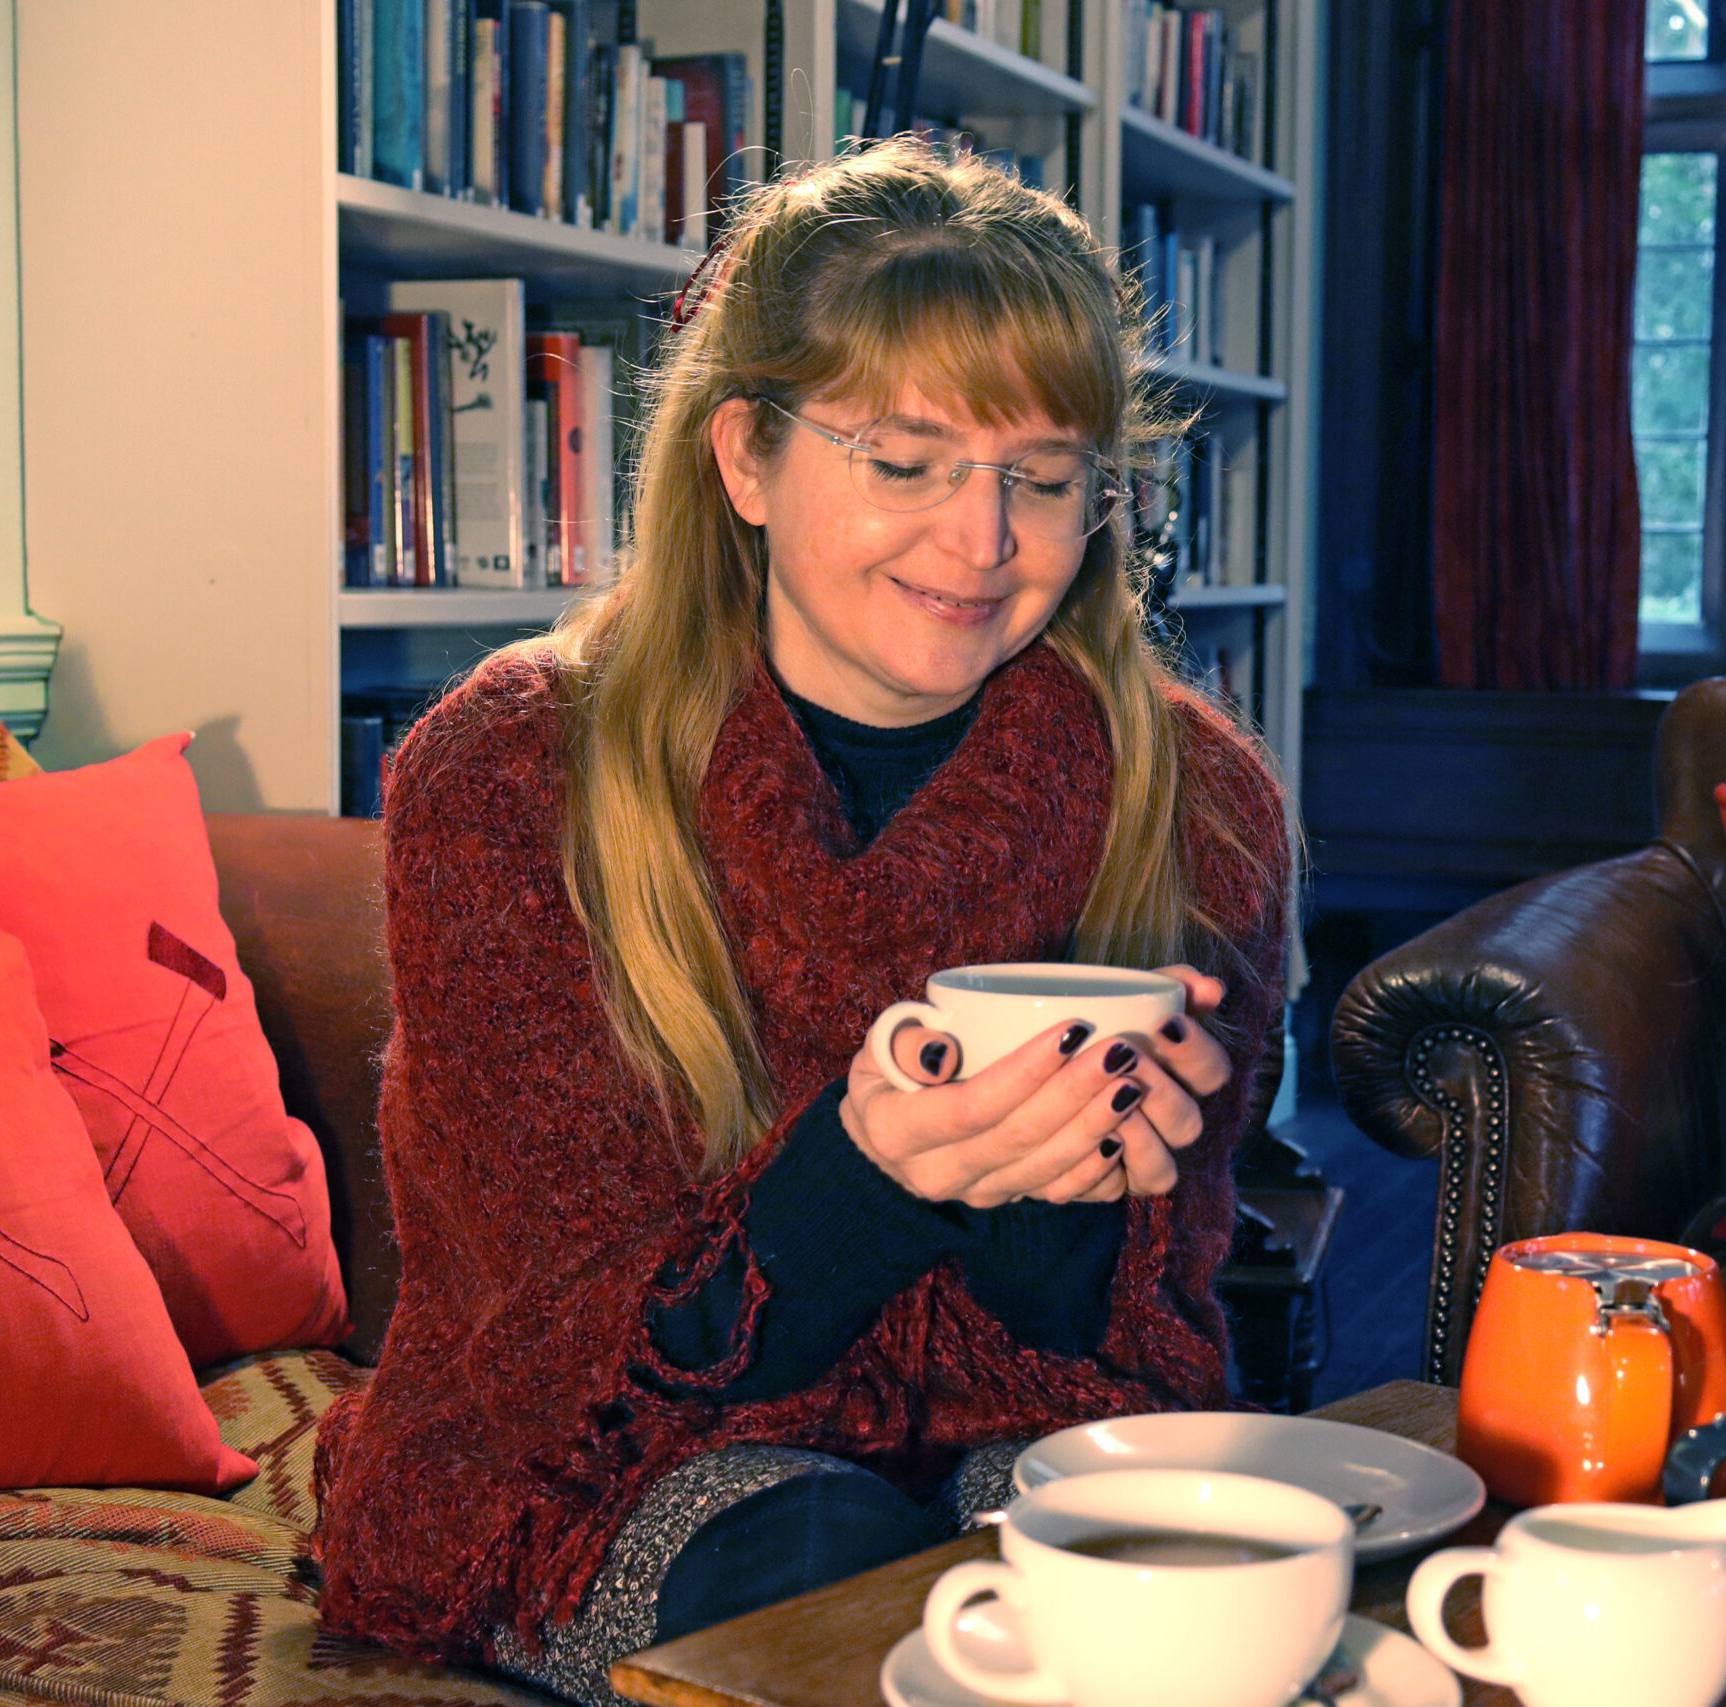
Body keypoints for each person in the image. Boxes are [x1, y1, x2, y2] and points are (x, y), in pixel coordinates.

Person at [310, 136, 1292, 1704]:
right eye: (904, 463)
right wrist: (868, 1175)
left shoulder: (1192, 794)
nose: (982, 543)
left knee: (1158, 1594)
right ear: (746, 457)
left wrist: (1080, 1185)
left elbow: (1131, 1337)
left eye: (1041, 478)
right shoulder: (517, 775)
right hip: (604, 1471)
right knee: (833, 1579)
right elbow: (554, 1360)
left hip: (1021, 1426)